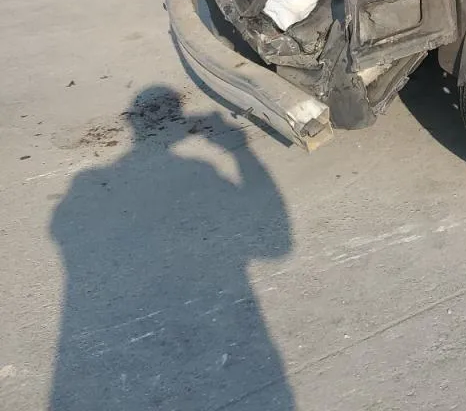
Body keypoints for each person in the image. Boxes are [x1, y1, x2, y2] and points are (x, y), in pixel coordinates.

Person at [50, 87, 295, 410]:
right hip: (216, 338)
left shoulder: (84, 188)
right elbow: (276, 246)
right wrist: (240, 150)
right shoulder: (200, 173)